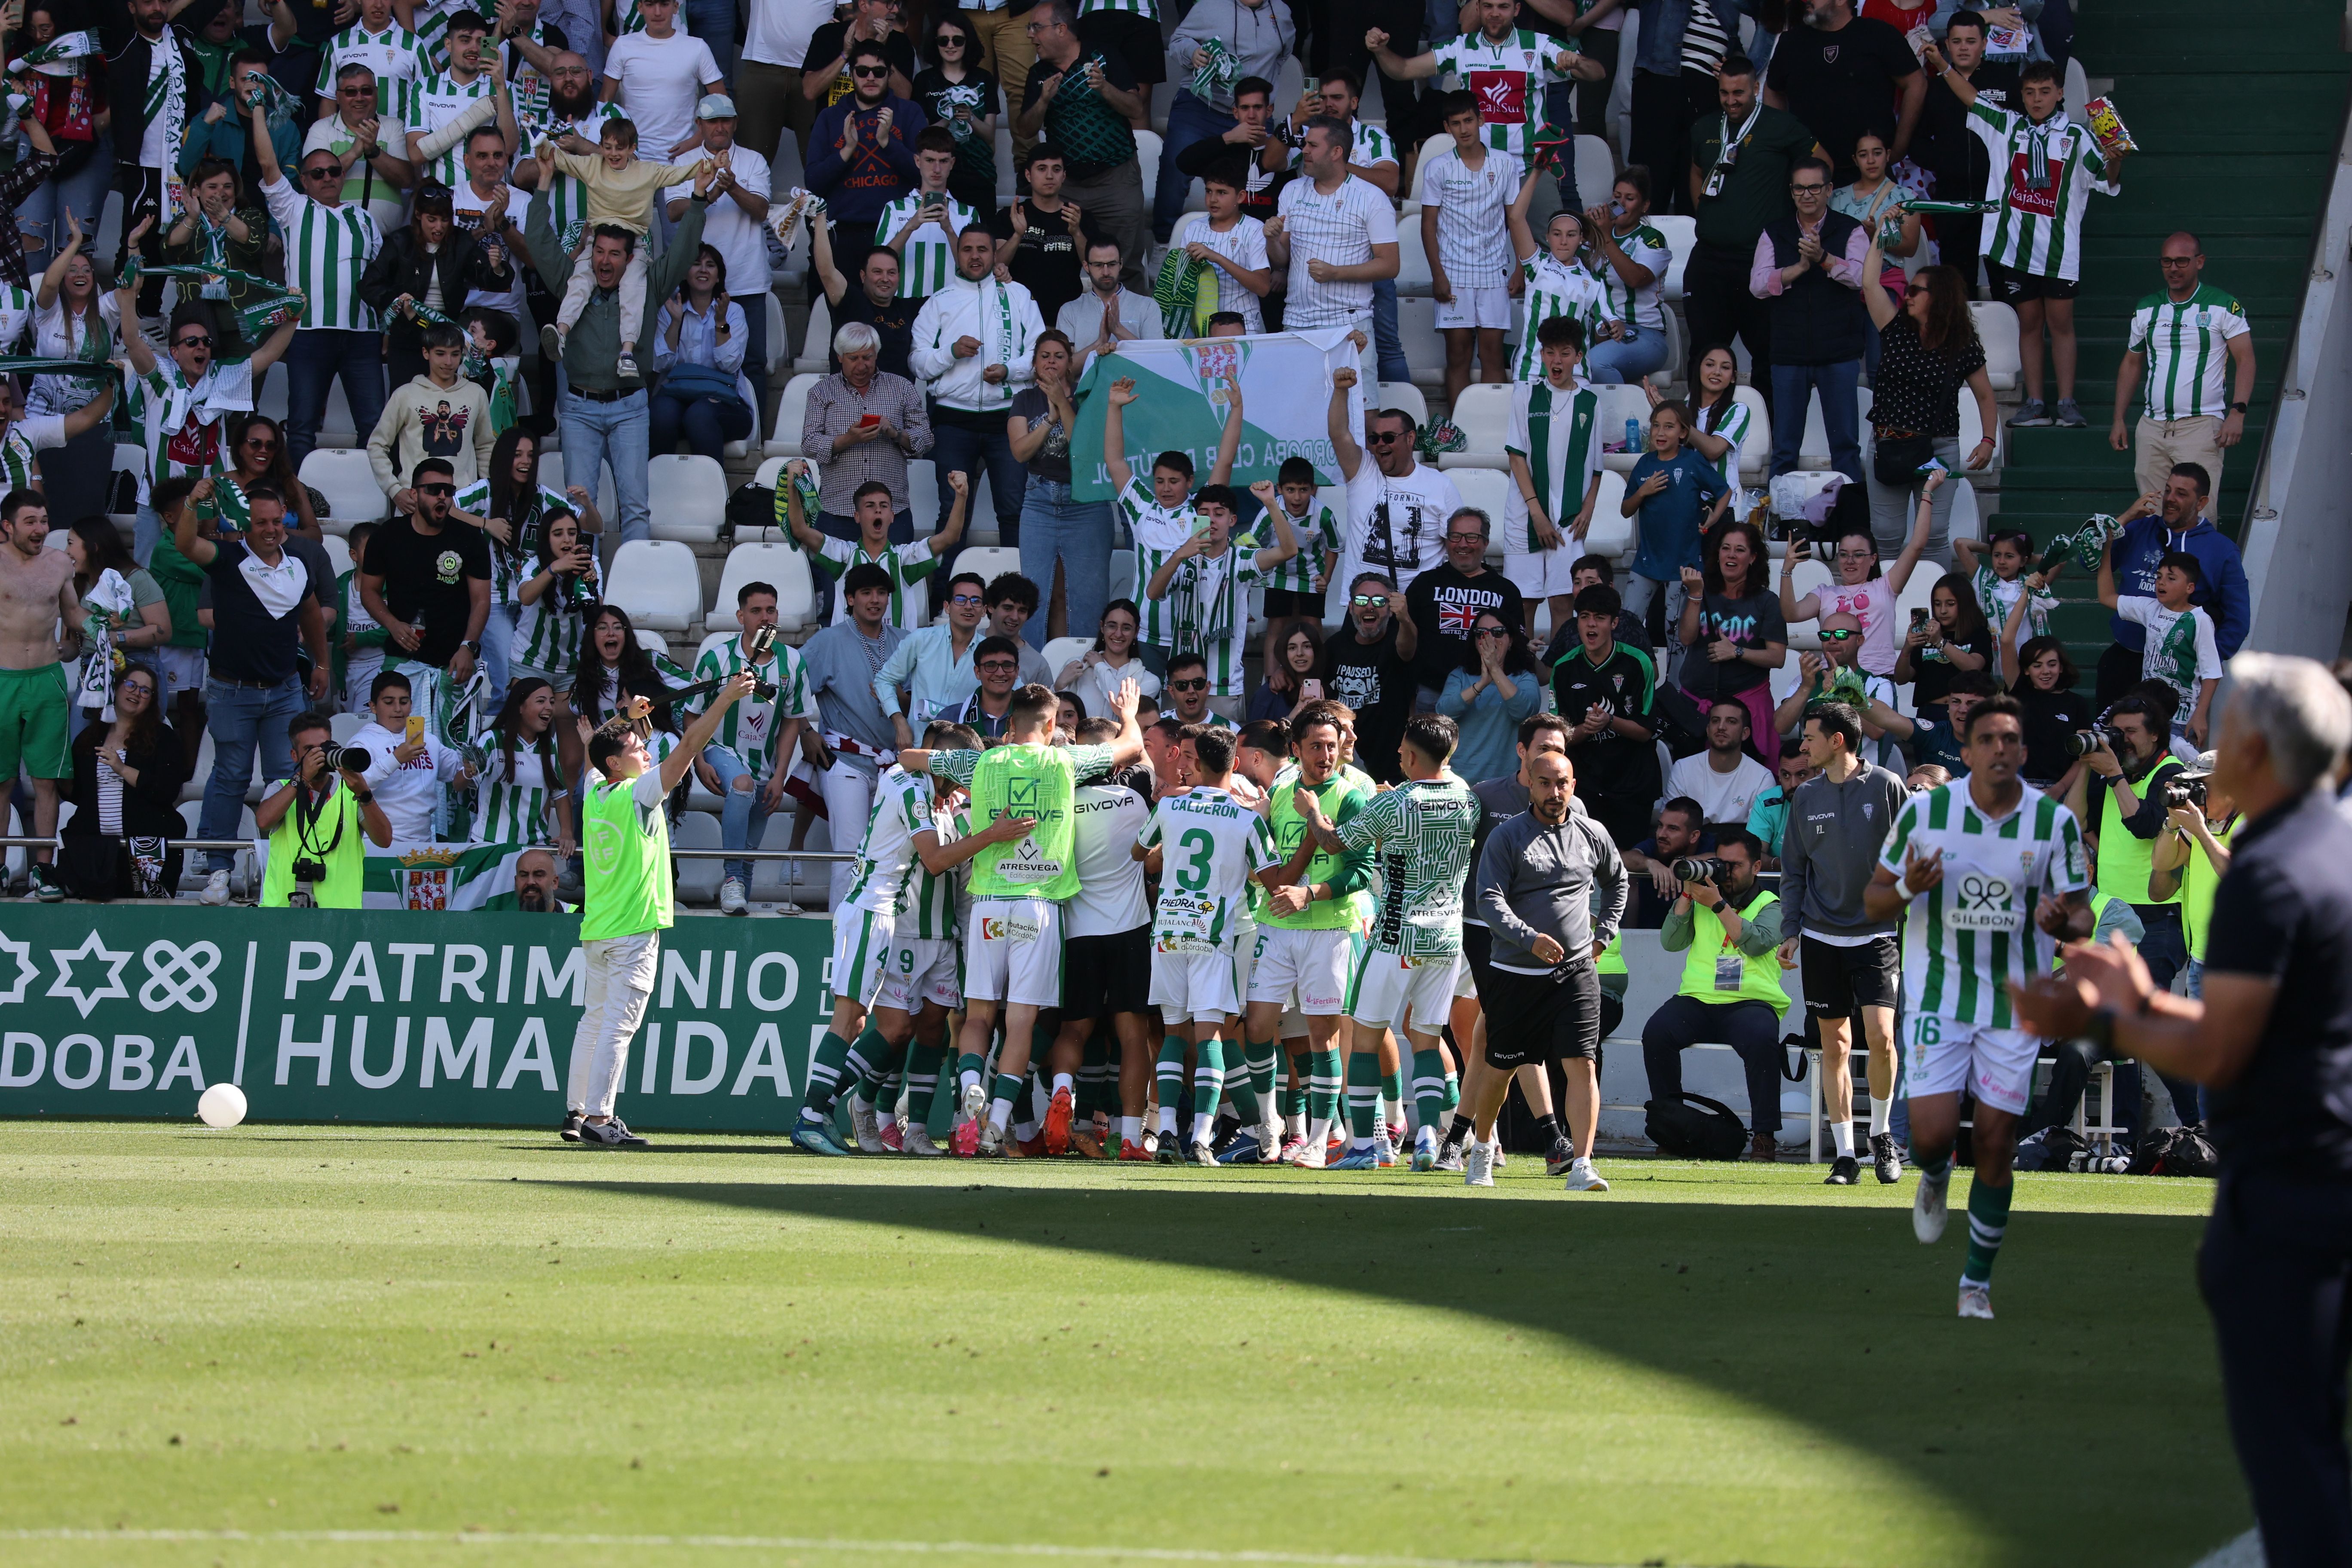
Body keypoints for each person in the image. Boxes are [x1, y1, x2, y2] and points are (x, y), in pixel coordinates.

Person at [2012, 654, 2352, 1557]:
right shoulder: (2335, 849)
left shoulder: (2266, 875)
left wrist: (2114, 1013)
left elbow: (2225, 1049)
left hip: (2294, 1188)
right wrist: (2151, 1001)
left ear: (2256, 749)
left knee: (2292, 1441)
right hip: (2325, 1171)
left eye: (2228, 730)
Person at [1864, 692, 2092, 1318]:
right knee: (1934, 1138)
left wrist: (2064, 920)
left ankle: (1976, 1284)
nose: (2000, 749)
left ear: (2022, 751)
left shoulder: (2053, 823)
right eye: (1987, 740)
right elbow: (1875, 902)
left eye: (2010, 741)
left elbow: (2082, 911)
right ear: (1965, 753)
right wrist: (1911, 885)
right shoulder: (1927, 814)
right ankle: (1934, 1176)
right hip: (1940, 993)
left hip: (2016, 1005)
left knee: (1996, 1141)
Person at [899, 676, 1145, 1154]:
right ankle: (997, 1124)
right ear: (1053, 723)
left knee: (977, 1017)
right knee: (1021, 1023)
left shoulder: (983, 761)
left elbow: (910, 757)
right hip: (1040, 905)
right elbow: (1132, 748)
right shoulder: (1065, 759)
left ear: (1009, 723)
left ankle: (971, 1081)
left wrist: (939, 782)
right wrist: (1129, 712)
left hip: (988, 902)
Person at [567, 669, 757, 1147]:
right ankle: (601, 1119)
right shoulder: (639, 792)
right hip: (632, 931)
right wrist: (727, 698)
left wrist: (623, 720)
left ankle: (577, 1112)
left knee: (593, 1020)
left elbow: (598, 749)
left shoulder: (594, 788)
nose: (647, 751)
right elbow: (690, 745)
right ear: (617, 763)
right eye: (637, 749)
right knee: (617, 1026)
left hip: (597, 929)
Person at [1293, 713, 1479, 1172]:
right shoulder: (1468, 800)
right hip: (1446, 937)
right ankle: (1432, 1143)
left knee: (1365, 1039)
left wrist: (1313, 812)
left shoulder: (1395, 804)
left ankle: (1361, 1149)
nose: (1397, 756)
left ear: (1414, 756)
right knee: (1428, 1039)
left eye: (1401, 751)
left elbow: (1335, 843)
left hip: (1397, 934)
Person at [1922, 46, 2123, 429]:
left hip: (2060, 251)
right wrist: (1941, 64)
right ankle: (2035, 404)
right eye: (2030, 92)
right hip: (2016, 250)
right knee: (2029, 323)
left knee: (2061, 324)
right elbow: (1969, 95)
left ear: (2060, 93)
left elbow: (2106, 181)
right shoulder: (2007, 126)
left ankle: (2066, 402)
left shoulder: (2078, 137)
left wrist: (2115, 158)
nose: (2037, 99)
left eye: (2045, 91)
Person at [525, 160, 718, 546]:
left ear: (629, 259)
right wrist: (543, 184)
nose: (604, 261)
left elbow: (682, 252)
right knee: (579, 506)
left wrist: (698, 198)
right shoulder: (573, 281)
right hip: (578, 408)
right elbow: (538, 242)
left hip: (630, 406)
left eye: (615, 254)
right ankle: (583, 594)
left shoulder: (647, 286)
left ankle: (635, 593)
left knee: (635, 507)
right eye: (599, 251)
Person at [1131, 725, 1286, 1165]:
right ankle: (1201, 1137)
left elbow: (1138, 854)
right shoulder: (1248, 818)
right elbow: (1275, 882)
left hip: (1168, 930)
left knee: (1173, 1032)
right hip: (1215, 934)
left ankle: (1164, 1132)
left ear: (1194, 764)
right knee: (1213, 1034)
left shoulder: (1171, 808)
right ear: (1235, 766)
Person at [170, 480, 329, 903]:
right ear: (246, 524)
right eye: (262, 523)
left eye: (277, 521)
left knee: (290, 777)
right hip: (231, 690)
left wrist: (323, 662)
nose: (271, 529)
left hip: (284, 690)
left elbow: (312, 612)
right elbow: (185, 542)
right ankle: (219, 871)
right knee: (231, 776)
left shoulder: (299, 562)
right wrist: (191, 502)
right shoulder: (227, 557)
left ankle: (292, 866)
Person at [1777, 698, 1911, 1182]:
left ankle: (1882, 1138)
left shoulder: (1887, 786)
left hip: (1877, 935)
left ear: (1838, 741)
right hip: (1819, 935)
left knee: (1882, 1038)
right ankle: (1846, 1155)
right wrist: (1791, 932)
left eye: (1810, 736)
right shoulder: (1806, 796)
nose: (1803, 745)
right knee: (1834, 1045)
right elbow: (1793, 870)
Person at [1242, 706, 1373, 1167]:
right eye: (1316, 746)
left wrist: (1311, 893)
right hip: (1276, 927)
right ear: (1295, 750)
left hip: (1331, 930)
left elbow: (1362, 872)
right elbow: (1268, 866)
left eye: (1332, 747)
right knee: (1257, 1028)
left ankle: (1319, 1140)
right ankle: (1268, 1125)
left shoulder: (1351, 797)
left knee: (1324, 1040)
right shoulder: (1279, 793)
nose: (1326, 755)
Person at [116, 279, 300, 567]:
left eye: (206, 342)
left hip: (207, 505)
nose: (201, 346)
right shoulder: (159, 379)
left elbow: (267, 355)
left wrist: (293, 319)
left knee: (204, 580)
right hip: (156, 501)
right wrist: (129, 297)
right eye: (192, 342)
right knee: (150, 575)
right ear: (174, 352)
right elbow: (132, 341)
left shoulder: (221, 379)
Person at [1642, 827, 1793, 1162]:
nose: (1725, 872)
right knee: (1656, 1034)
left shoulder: (1772, 904)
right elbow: (1671, 943)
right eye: (1720, 864)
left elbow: (1755, 943)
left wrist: (1718, 905)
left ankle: (1764, 1135)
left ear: (1756, 868)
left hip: (1750, 1003)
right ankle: (1672, 1127)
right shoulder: (1702, 897)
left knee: (1762, 1040)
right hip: (1697, 999)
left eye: (1734, 866)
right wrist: (1686, 896)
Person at [1681, 55, 1826, 392]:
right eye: (1724, 93)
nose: (1731, 101)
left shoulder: (1782, 126)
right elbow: (1697, 170)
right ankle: (1700, 435)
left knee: (1767, 354)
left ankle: (1771, 438)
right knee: (1703, 353)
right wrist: (1703, 210)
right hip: (1710, 260)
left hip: (1761, 260)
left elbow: (1822, 167)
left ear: (1756, 89)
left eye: (1739, 93)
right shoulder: (1704, 128)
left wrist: (1803, 219)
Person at [910, 224, 1046, 548]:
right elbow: (916, 362)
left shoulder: (1019, 295)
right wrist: (951, 352)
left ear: (995, 254)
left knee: (1014, 510)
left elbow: (1040, 353)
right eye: (968, 249)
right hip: (953, 421)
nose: (975, 256)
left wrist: (1009, 370)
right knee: (953, 510)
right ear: (958, 254)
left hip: (1009, 420)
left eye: (983, 250)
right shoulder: (939, 302)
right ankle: (947, 594)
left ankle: (1017, 595)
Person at [1859, 252, 1997, 568]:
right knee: (1886, 534)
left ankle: (1937, 605)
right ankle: (1887, 608)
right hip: (1888, 443)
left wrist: (1989, 439)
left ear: (1939, 298)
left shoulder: (1961, 343)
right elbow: (1869, 282)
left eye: (1915, 290)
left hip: (1938, 446)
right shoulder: (1895, 329)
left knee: (1935, 534)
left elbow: (1986, 396)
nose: (1907, 295)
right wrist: (1882, 232)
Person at [1102, 372, 1244, 673]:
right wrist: (1115, 407)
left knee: (1188, 713)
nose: (1166, 488)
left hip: (1192, 633)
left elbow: (1225, 462)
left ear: (1190, 482)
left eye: (1174, 482)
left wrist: (1236, 410)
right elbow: (1115, 460)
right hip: (1145, 633)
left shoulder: (1200, 510)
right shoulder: (1142, 505)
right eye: (1160, 481)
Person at [690, 582, 819, 913]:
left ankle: (736, 916)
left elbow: (793, 720)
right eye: (757, 611)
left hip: (765, 762)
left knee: (749, 855)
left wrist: (780, 774)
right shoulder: (716, 658)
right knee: (742, 785)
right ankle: (731, 877)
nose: (766, 618)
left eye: (771, 610)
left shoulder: (793, 662)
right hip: (721, 749)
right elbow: (691, 714)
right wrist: (700, 761)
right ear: (740, 616)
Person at [796, 561, 911, 905]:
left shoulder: (906, 642)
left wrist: (894, 696)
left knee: (893, 857)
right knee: (850, 856)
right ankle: (836, 940)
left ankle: (882, 934)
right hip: (846, 759)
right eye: (866, 593)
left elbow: (921, 702)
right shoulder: (828, 641)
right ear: (850, 599)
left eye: (881, 593)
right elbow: (792, 689)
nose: (874, 600)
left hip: (896, 763)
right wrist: (805, 729)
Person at [2112, 233, 2256, 505]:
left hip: (2201, 426)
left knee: (2199, 513)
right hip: (2152, 426)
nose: (2174, 269)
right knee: (2150, 510)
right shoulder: (2147, 307)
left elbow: (2246, 359)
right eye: (2167, 262)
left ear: (2200, 262)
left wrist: (2238, 412)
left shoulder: (2223, 305)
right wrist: (2119, 417)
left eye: (2182, 261)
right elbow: (2132, 361)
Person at [360, 457, 493, 747]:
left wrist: (468, 647)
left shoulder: (469, 538)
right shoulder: (388, 536)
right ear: (414, 493)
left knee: (458, 753)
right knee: (401, 749)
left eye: (448, 490)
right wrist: (393, 625)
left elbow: (482, 600)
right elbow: (368, 591)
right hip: (403, 660)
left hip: (455, 663)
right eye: (434, 489)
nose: (443, 496)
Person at [1749, 156, 1866, 487]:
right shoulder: (1775, 232)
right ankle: (1781, 523)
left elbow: (1861, 278)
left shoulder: (1850, 229)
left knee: (1845, 447)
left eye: (1815, 187)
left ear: (1829, 190)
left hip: (1840, 351)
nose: (1807, 194)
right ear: (1791, 192)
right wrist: (1800, 268)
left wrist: (1824, 260)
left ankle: (1850, 526)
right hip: (1788, 352)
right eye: (1799, 188)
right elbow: (1757, 285)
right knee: (1785, 449)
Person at [1017, 0, 1148, 286]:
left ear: (1062, 29)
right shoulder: (1039, 74)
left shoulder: (1104, 56)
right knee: (1063, 266)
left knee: (1123, 267)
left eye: (1036, 27)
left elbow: (1136, 108)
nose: (1030, 35)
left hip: (1116, 181)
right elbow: (1026, 130)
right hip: (1068, 187)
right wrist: (1043, 101)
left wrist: (1104, 88)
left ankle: (1135, 329)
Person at [2095, 463, 2249, 705]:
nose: (2171, 499)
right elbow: (2088, 560)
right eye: (2168, 490)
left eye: (2182, 494)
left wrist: (2199, 662)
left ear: (2201, 503)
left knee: (2169, 742)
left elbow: (2238, 619)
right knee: (2110, 740)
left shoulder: (2222, 550)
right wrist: (2125, 519)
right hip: (2126, 657)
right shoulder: (2138, 528)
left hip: (2177, 674)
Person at [1265, 119, 1399, 391]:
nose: (1305, 151)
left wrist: (1336, 273)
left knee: (1360, 416)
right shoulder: (1292, 190)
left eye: (1313, 145)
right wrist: (1272, 240)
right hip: (1297, 321)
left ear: (1336, 152)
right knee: (1299, 414)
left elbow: (1390, 265)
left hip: (1349, 323)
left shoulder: (1372, 197)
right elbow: (1281, 260)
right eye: (1305, 144)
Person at [1145, 481, 1298, 714]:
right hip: (1182, 684)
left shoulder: (1242, 558)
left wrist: (1270, 502)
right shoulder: (1181, 556)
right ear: (1195, 519)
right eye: (1204, 514)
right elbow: (1153, 593)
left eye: (1219, 514)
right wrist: (1179, 555)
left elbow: (1289, 550)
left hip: (1224, 686)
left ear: (1232, 520)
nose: (1212, 520)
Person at [661, 96, 773, 409]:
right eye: (712, 121)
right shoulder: (684, 163)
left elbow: (762, 210)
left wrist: (732, 187)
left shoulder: (753, 161)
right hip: (698, 283)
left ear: (736, 123)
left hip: (746, 279)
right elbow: (673, 211)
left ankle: (755, 438)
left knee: (752, 364)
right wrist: (710, 195)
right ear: (700, 126)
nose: (720, 127)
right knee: (695, 363)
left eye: (726, 120)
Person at [1409, 92, 1522, 404]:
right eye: (1456, 123)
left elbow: (1516, 219)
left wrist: (1521, 266)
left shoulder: (1505, 163)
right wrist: (1439, 275)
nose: (1464, 129)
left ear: (1481, 120)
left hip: (1494, 271)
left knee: (1492, 355)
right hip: (1454, 273)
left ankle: (1491, 427)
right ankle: (1459, 429)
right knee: (1458, 355)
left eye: (1469, 120)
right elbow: (1427, 225)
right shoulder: (1437, 168)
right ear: (1447, 127)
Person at [1152, 0, 1293, 242]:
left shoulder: (1281, 11)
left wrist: (1261, 92)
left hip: (1250, 112)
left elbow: (1283, 55)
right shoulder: (1210, 6)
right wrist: (1193, 54)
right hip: (1201, 106)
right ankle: (1164, 241)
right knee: (1175, 166)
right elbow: (1178, 41)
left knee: (1265, 172)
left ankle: (1257, 246)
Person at [1501, 317, 1604, 642]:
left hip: (1570, 520)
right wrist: (1536, 514)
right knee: (1524, 603)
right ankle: (1523, 679)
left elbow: (1597, 468)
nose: (1556, 361)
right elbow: (1516, 457)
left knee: (1563, 601)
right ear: (1541, 355)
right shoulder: (1525, 396)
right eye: (1549, 353)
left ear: (1578, 357)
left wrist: (1588, 509)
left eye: (1565, 353)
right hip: (1525, 516)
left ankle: (1560, 682)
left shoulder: (1591, 402)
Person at [358, 183, 516, 392]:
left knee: (446, 403)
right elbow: (368, 284)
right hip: (407, 335)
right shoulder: (400, 241)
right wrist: (397, 303)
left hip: (446, 337)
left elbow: (490, 279)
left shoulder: (461, 241)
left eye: (445, 220)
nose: (439, 227)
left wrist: (497, 269)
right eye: (432, 220)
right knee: (407, 400)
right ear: (418, 216)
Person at [109, 0, 207, 334]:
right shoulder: (122, 38)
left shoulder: (178, 34)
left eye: (163, 2)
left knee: (168, 240)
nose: (157, 8)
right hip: (141, 161)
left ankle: (149, 315)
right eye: (148, 2)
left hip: (176, 163)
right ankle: (123, 322)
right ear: (131, 5)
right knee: (136, 240)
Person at [1326, 367, 1463, 601]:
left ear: (1410, 439)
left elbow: (1456, 544)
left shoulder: (1441, 485)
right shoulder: (1363, 471)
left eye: (1389, 438)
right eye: (1374, 439)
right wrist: (1340, 391)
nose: (1380, 444)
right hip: (1364, 604)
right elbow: (1338, 433)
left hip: (1418, 605)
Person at [1005, 331, 1105, 644]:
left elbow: (1085, 452)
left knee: (1086, 598)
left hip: (1085, 502)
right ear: (1035, 364)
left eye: (1059, 356)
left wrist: (1064, 403)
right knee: (1035, 595)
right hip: (1039, 501)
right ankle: (1037, 675)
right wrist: (1051, 417)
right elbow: (1021, 452)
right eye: (1045, 356)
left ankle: (1080, 673)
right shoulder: (1024, 399)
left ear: (1071, 363)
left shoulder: (1087, 393)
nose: (1051, 362)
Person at [1908, 8, 2014, 299]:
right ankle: (1959, 345)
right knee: (1957, 288)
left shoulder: (2006, 80)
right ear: (1947, 45)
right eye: (1957, 41)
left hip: (1998, 198)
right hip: (1952, 198)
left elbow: (2023, 134)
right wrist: (1945, 162)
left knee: (2005, 284)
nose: (1964, 47)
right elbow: (1915, 140)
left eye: (1971, 41)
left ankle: (2009, 343)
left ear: (1984, 43)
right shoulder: (1935, 88)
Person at [782, 461, 963, 631]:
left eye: (884, 506)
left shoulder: (906, 558)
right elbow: (800, 530)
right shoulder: (843, 555)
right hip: (851, 656)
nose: (878, 510)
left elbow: (950, 537)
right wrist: (792, 486)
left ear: (892, 516)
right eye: (870, 506)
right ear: (857, 516)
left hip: (895, 657)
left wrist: (961, 496)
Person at [1763, 0, 1921, 184]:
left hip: (1869, 174)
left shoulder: (1878, 34)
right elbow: (1773, 90)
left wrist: (1899, 147)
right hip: (1810, 179)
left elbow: (1916, 83)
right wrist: (1786, 144)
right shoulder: (1791, 41)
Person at [1551, 581, 1660, 847]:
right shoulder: (1563, 668)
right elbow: (1559, 740)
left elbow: (1645, 731)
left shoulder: (1638, 663)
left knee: (1630, 864)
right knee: (1583, 862)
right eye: (1585, 617)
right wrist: (1588, 729)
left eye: (1600, 618)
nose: (1591, 625)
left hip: (1632, 785)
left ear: (1614, 623)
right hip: (1585, 786)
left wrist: (1609, 721)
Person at [1623, 400, 1729, 672]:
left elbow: (1724, 492)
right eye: (1656, 426)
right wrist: (1643, 492)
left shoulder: (1692, 461)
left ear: (1683, 433)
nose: (1661, 432)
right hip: (1647, 562)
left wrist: (1712, 519)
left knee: (1678, 637)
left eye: (1669, 427)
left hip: (1684, 565)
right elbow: (1626, 510)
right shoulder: (1645, 464)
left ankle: (1676, 694)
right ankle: (1644, 674)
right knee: (1626, 625)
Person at [29, 217, 119, 531]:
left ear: (95, 278)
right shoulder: (48, 311)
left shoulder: (107, 309)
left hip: (93, 427)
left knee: (88, 513)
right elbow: (49, 283)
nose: (80, 275)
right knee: (45, 512)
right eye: (73, 269)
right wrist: (76, 243)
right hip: (44, 423)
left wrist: (133, 245)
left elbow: (131, 289)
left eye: (86, 270)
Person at [1779, 499, 1936, 679]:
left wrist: (1927, 494)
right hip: (1833, 678)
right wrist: (1787, 571)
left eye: (1859, 555)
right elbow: (1791, 615)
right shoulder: (1824, 593)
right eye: (1844, 555)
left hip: (1878, 676)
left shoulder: (1885, 586)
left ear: (1873, 559)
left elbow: (1918, 545)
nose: (1850, 561)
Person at [1676, 515, 1787, 763]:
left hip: (1745, 711)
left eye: (1740, 550)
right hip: (1696, 707)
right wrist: (1695, 595)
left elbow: (1777, 657)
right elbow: (1686, 637)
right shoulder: (1700, 589)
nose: (1731, 555)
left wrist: (1736, 652)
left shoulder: (1767, 601)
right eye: (1726, 548)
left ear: (1753, 558)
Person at [806, 43, 925, 260]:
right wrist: (847, 151)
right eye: (863, 71)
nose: (870, 77)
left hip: (899, 227)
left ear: (889, 74)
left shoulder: (909, 112)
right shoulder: (829, 116)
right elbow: (813, 182)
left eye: (878, 72)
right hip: (843, 230)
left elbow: (924, 174)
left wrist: (887, 142)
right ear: (852, 74)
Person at [368, 323, 499, 502]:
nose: (448, 362)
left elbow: (486, 446)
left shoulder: (476, 393)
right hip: (416, 500)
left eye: (455, 354)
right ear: (425, 353)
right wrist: (394, 489)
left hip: (463, 499)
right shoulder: (405, 395)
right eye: (440, 354)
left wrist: (485, 492)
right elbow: (377, 445)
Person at [649, 243, 756, 459]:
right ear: (685, 273)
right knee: (660, 412)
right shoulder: (669, 310)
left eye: (710, 265)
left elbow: (731, 365)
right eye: (696, 264)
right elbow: (660, 364)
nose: (703, 270)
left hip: (726, 402)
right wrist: (676, 322)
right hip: (676, 396)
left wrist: (720, 323)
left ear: (718, 277)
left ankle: (712, 490)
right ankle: (658, 485)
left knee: (699, 415)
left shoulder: (733, 312)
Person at [1505, 171, 1613, 384]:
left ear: (1581, 239)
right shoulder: (1538, 266)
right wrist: (1536, 174)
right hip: (1532, 373)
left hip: (1577, 375)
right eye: (1557, 234)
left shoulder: (1594, 282)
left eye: (1571, 235)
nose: (1563, 241)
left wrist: (1615, 328)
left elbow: (1609, 323)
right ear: (1547, 237)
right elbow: (1516, 218)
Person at [1772, 611, 1914, 771]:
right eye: (1825, 636)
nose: (1832, 641)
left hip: (1862, 782)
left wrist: (1842, 692)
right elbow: (1781, 727)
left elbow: (1877, 731)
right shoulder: (1805, 681)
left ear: (1860, 640)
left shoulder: (1878, 684)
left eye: (1841, 635)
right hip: (1816, 784)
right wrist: (1806, 688)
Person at [1408, 508, 1524, 704]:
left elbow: (1517, 643)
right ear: (1446, 542)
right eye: (1455, 536)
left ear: (1485, 543)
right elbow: (1405, 640)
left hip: (1487, 692)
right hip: (1432, 691)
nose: (1463, 544)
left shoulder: (1506, 590)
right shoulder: (1424, 584)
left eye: (1472, 537)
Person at [1318, 573, 1419, 783]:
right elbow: (1312, 674)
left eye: (1380, 601)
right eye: (1362, 600)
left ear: (1391, 610)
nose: (1370, 606)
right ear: (1351, 608)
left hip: (1389, 767)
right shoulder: (1336, 645)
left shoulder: (1396, 642)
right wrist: (1283, 671)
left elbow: (1408, 649)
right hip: (1340, 762)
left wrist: (1405, 618)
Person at [873, 557, 987, 740]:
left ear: (984, 610)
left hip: (966, 754)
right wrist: (899, 721)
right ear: (947, 607)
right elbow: (884, 680)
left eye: (976, 601)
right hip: (919, 748)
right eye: (960, 599)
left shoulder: (990, 652)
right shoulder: (921, 640)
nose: (968, 606)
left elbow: (1014, 693)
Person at [1582, 166, 1675, 386]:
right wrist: (1582, 231)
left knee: (1595, 363)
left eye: (1630, 199)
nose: (1621, 204)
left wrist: (1605, 236)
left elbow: (1636, 278)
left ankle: (1620, 417)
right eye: (1617, 197)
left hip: (1646, 335)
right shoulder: (1598, 236)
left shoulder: (1652, 238)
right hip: (1602, 333)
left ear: (1645, 206)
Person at [407, 14, 519, 192]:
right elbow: (415, 155)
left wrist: (499, 86)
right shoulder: (425, 88)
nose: (474, 48)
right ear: (448, 45)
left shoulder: (505, 88)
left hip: (493, 202)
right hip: (442, 206)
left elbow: (510, 147)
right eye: (465, 40)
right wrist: (472, 118)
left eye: (480, 42)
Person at [601, 0, 724, 162]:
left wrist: (696, 140)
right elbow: (604, 103)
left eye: (664, 4)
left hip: (684, 158)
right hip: (634, 158)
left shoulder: (697, 47)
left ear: (676, 7)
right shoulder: (623, 46)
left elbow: (722, 102)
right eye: (650, 4)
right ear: (640, 7)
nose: (657, 12)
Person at [305, 63, 417, 238]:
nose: (360, 98)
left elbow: (406, 180)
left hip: (387, 243)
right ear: (338, 97)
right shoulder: (321, 129)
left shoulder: (394, 126)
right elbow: (313, 180)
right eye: (351, 92)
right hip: (334, 238)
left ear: (377, 93)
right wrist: (354, 153)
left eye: (366, 91)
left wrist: (373, 151)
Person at [988, 145, 1093, 327]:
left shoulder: (1078, 217)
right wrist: (1018, 235)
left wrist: (1076, 233)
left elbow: (1094, 267)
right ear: (1028, 175)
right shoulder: (1010, 215)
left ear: (1064, 176)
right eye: (1042, 169)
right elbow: (996, 265)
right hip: (1018, 317)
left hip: (1067, 320)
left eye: (1057, 169)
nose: (1050, 176)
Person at [878, 127, 983, 304]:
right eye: (930, 160)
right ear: (917, 161)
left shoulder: (968, 213)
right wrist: (910, 227)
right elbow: (879, 264)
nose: (936, 169)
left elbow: (974, 269)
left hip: (954, 306)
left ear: (952, 163)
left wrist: (949, 230)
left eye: (943, 161)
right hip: (904, 306)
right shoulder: (895, 209)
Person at [1439, 611, 1543, 784]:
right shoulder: (1460, 675)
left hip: (1506, 782)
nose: (1489, 639)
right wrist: (1481, 685)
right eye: (1481, 634)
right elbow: (1444, 713)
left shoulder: (1525, 678)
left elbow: (1524, 712)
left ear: (1510, 641)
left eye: (1498, 633)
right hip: (1460, 781)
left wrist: (1495, 670)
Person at [911, 12, 1001, 213]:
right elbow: (921, 137)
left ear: (968, 42)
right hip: (938, 176)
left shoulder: (984, 78)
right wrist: (947, 118)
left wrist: (970, 117)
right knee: (938, 236)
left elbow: (989, 134)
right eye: (944, 41)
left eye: (957, 40)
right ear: (935, 44)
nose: (950, 46)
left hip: (980, 175)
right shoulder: (924, 80)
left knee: (980, 239)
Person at [811, 222, 919, 380]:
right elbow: (827, 271)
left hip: (896, 402)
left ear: (899, 278)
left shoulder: (909, 308)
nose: (885, 278)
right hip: (849, 400)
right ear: (863, 276)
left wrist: (947, 229)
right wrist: (820, 219)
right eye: (877, 272)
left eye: (892, 273)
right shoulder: (851, 302)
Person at [1056, 236, 1162, 381]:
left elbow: (1158, 363)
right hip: (1086, 398)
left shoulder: (1148, 306)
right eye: (1099, 265)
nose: (1106, 272)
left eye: (1112, 264)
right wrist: (1099, 344)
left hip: (1136, 394)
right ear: (1086, 266)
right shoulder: (1069, 311)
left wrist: (1119, 330)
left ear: (1121, 264)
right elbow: (1064, 372)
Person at [1254, 457, 1341, 625]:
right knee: (1276, 629)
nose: (1297, 497)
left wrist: (1327, 578)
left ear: (1313, 489)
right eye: (1290, 490)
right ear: (1279, 489)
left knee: (1313, 627)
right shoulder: (1269, 510)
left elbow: (1334, 548)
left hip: (1311, 577)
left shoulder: (1324, 515)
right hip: (1277, 575)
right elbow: (1250, 542)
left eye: (1303, 490)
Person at [1668, 699, 1775, 829]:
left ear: (1745, 733)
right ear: (1708, 730)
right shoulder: (1683, 769)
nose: (1721, 727)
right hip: (1691, 845)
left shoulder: (1763, 778)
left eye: (1731, 722)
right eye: (1715, 721)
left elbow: (1760, 833)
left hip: (1740, 845)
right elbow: (1671, 824)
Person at [2006, 632, 2090, 794]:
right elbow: (2006, 640)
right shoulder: (2019, 694)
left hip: (2061, 789)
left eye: (2052, 664)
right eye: (2037, 666)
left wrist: (2060, 788)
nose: (2046, 671)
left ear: (2061, 667)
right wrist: (2025, 604)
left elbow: (2083, 757)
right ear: (2026, 670)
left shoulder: (2077, 703)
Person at [1057, 599, 1163, 719]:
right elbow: (1055, 715)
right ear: (1102, 627)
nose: (1118, 634)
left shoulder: (1150, 681)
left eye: (1126, 628)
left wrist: (1100, 667)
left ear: (1136, 632)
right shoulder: (1077, 666)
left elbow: (1121, 708)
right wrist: (1058, 687)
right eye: (1112, 626)